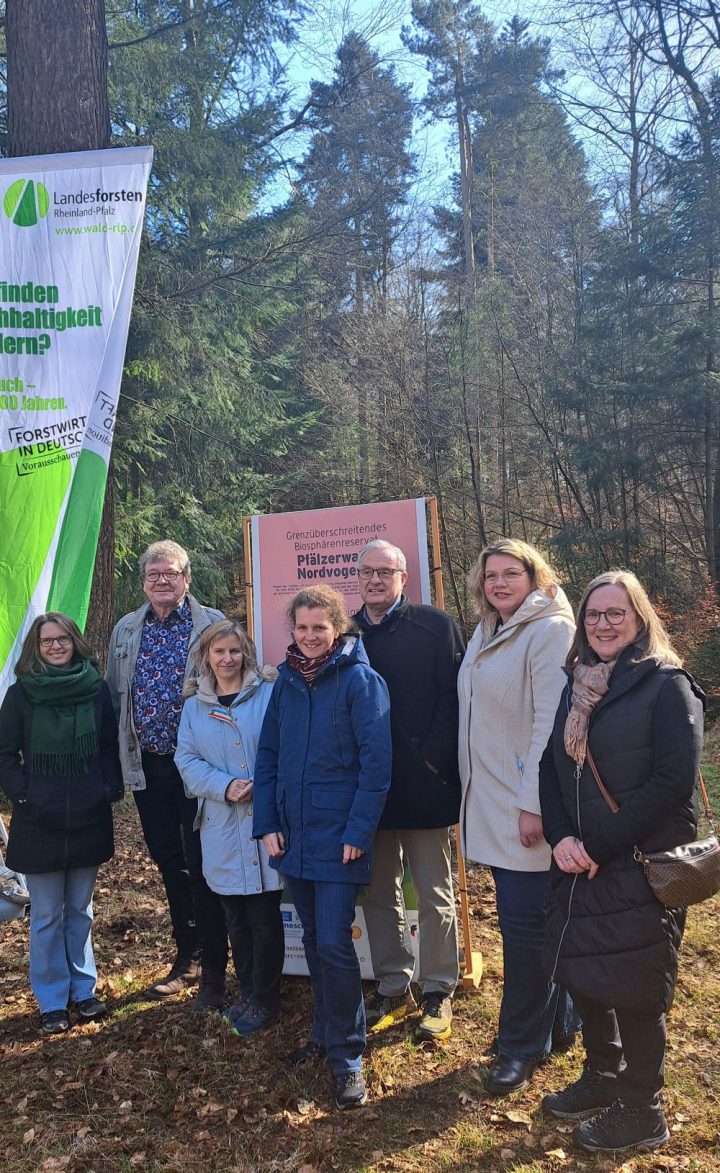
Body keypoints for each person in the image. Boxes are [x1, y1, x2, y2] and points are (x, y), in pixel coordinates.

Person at [539, 570, 703, 1155]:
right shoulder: (577, 684)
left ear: (639, 620)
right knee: (585, 970)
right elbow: (549, 765)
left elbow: (672, 783)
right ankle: (603, 1075)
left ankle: (643, 1110)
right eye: (594, 614)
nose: (603, 624)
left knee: (634, 986)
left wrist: (596, 846)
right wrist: (559, 835)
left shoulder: (666, 686)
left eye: (616, 614)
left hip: (636, 862)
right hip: (577, 860)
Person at [253, 586, 391, 1109]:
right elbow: (266, 758)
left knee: (334, 943)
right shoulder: (285, 683)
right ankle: (323, 1031)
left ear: (338, 628)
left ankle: (348, 1056)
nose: (310, 637)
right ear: (292, 630)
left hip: (339, 840)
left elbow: (377, 769)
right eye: (302, 628)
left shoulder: (361, 681)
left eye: (320, 628)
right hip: (291, 834)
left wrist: (358, 831)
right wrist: (266, 822)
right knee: (313, 938)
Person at [457, 538, 576, 1095]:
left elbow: (549, 727)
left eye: (511, 573)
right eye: (490, 575)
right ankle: (558, 1021)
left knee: (525, 933)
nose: (499, 583)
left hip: (524, 809)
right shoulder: (488, 629)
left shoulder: (550, 630)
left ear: (534, 576)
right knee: (533, 926)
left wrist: (533, 804)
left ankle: (519, 1047)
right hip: (494, 800)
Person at [106, 539, 228, 1010]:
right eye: (154, 574)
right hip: (149, 765)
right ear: (144, 581)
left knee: (203, 859)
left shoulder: (211, 623)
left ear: (186, 578)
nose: (162, 580)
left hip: (199, 764)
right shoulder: (125, 629)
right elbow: (117, 697)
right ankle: (189, 955)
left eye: (171, 573)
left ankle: (214, 960)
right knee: (168, 858)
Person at [353, 539, 465, 1042]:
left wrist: (432, 757)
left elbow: (454, 698)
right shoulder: (345, 633)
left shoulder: (434, 625)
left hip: (425, 783)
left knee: (435, 891)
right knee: (378, 891)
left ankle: (439, 986)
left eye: (385, 571)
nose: (375, 580)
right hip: (367, 790)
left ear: (403, 577)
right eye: (367, 572)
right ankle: (393, 981)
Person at [0, 612, 123, 1033]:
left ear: (75, 642)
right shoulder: (20, 696)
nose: (55, 646)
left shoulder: (94, 690)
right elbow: (5, 754)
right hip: (39, 819)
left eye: (62, 639)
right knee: (48, 914)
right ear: (37, 647)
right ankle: (52, 1000)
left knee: (81, 910)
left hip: (88, 814)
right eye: (47, 640)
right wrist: (25, 794)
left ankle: (83, 991)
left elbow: (109, 745)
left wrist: (107, 788)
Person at [175, 620, 284, 1036]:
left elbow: (283, 747)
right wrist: (224, 786)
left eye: (234, 651)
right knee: (235, 916)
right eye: (218, 652)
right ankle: (248, 991)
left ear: (246, 654)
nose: (227, 659)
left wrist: (262, 784)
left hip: (265, 820)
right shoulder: (194, 707)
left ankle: (266, 999)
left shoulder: (269, 694)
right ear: (206, 657)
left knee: (263, 915)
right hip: (220, 824)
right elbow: (186, 761)